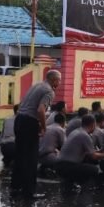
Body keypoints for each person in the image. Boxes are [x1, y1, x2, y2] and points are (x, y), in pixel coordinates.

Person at [13, 70, 61, 199]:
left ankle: (16, 188)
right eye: (59, 80)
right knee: (31, 158)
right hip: (29, 122)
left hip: (19, 119)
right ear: (54, 80)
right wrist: (44, 127)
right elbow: (40, 110)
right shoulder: (49, 91)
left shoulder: (36, 85)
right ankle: (29, 192)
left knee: (20, 156)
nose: (59, 83)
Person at [55, 115, 104, 192]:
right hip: (66, 166)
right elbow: (94, 156)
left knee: (87, 162)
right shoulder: (84, 135)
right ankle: (86, 189)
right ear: (93, 124)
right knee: (94, 169)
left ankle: (69, 184)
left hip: (60, 165)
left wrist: (102, 151)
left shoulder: (76, 131)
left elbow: (89, 152)